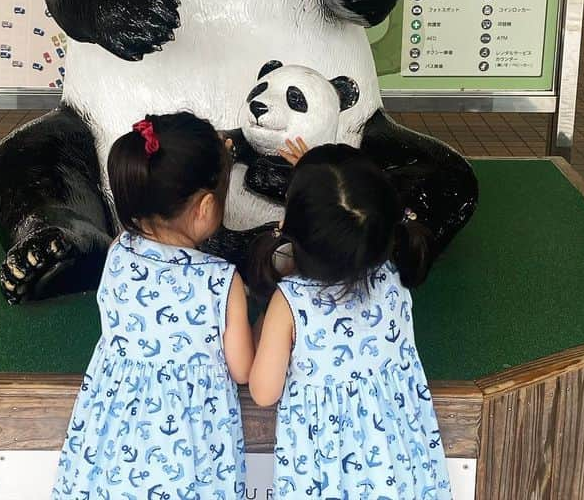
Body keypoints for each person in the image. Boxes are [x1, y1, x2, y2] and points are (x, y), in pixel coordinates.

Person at [52, 112, 253, 500]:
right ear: (207, 206)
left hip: (112, 445)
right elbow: (242, 369)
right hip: (190, 455)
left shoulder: (118, 250)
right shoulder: (221, 281)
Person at [247, 142, 452, 499]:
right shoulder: (394, 278)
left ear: (287, 228)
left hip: (324, 476)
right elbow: (359, 213)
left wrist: (266, 309)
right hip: (396, 469)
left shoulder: (289, 304)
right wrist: (325, 181)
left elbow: (263, 392)